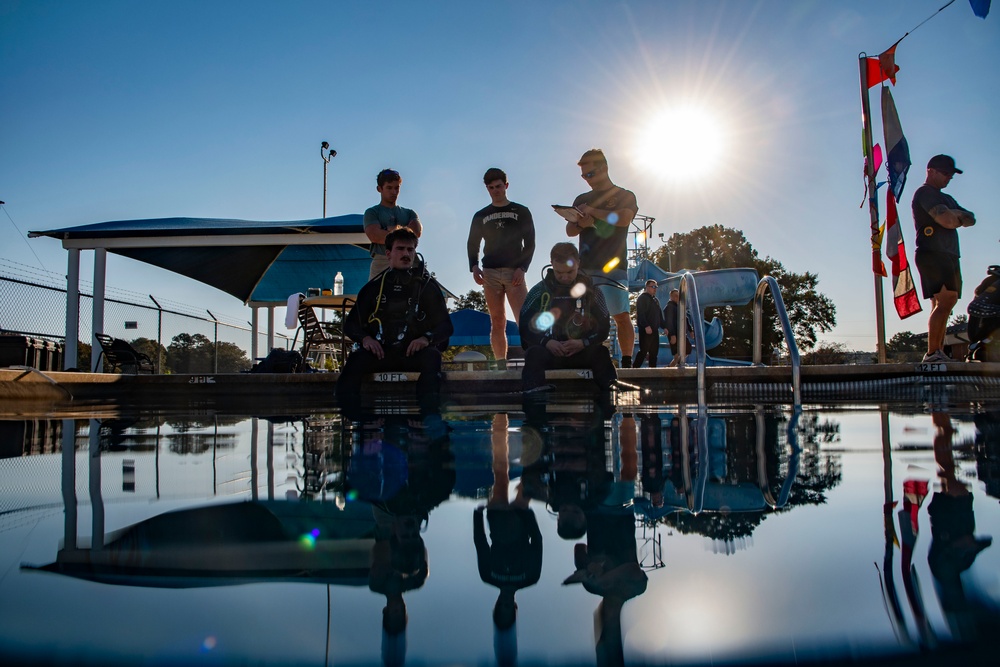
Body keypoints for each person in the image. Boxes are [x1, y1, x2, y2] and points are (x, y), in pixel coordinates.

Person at [336, 227, 453, 406]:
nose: (406, 254)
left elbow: (446, 327)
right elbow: (350, 325)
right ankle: (353, 418)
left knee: (433, 357)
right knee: (355, 360)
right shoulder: (372, 289)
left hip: (414, 354)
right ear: (388, 253)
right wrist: (366, 339)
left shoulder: (427, 288)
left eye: (410, 249)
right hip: (380, 353)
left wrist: (426, 338)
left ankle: (427, 421)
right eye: (400, 249)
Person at [566, 149, 639, 368]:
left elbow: (624, 218)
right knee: (584, 317)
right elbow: (570, 230)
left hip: (614, 265)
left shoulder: (624, 194)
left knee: (621, 314)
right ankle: (588, 361)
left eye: (590, 174)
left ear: (604, 168)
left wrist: (593, 213)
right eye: (583, 176)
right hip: (585, 267)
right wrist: (582, 223)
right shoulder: (581, 199)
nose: (587, 180)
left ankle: (626, 362)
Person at [519, 242, 617, 393]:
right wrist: (547, 342)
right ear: (551, 264)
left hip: (581, 351)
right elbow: (525, 328)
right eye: (559, 273)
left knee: (601, 353)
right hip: (549, 353)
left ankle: (611, 392)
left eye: (570, 272)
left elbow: (604, 327)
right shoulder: (538, 291)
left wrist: (583, 342)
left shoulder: (593, 292)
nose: (564, 277)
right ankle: (534, 395)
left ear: (578, 263)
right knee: (533, 354)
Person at [467, 167, 536, 369]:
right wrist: (473, 265)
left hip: (515, 272)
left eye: (499, 186)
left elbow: (530, 242)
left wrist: (523, 267)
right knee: (497, 320)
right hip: (490, 272)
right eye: (491, 188)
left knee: (523, 318)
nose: (496, 190)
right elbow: (473, 243)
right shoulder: (481, 215)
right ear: (487, 189)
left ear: (506, 186)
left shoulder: (521, 211)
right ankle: (500, 363)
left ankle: (533, 359)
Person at [912, 154, 976, 363]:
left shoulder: (946, 198)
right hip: (932, 252)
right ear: (931, 171)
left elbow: (971, 219)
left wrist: (955, 213)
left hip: (949, 254)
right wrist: (955, 215)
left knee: (944, 302)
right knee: (946, 299)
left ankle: (937, 352)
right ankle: (932, 354)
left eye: (951, 174)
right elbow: (947, 220)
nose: (949, 178)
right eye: (946, 173)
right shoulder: (925, 193)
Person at [364, 168, 423, 280]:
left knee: (422, 291)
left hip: (408, 260)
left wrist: (389, 229)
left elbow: (416, 233)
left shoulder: (409, 212)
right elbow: (375, 236)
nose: (394, 192)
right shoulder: (372, 212)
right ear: (379, 189)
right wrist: (405, 231)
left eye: (397, 188)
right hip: (382, 261)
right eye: (389, 188)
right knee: (375, 295)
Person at [633, 279, 662, 368]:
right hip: (645, 330)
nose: (655, 289)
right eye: (653, 287)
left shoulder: (655, 300)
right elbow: (641, 313)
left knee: (654, 352)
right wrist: (646, 325)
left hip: (654, 330)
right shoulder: (642, 298)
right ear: (647, 287)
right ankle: (634, 369)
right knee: (644, 351)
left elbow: (659, 315)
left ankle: (652, 370)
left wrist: (664, 326)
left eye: (656, 287)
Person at [662, 289, 680, 367]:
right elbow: (668, 322)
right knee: (677, 353)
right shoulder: (669, 307)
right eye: (675, 296)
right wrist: (672, 335)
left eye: (678, 296)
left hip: (679, 332)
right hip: (674, 333)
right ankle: (670, 367)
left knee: (684, 351)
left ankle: (672, 366)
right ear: (671, 297)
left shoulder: (678, 307)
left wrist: (690, 330)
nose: (677, 297)